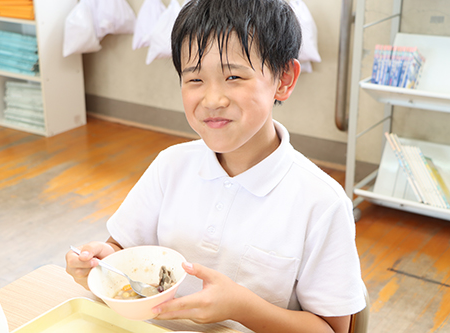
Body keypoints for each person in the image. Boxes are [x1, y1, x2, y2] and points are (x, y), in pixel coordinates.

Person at [65, 0, 366, 332]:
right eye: (195, 80)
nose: (212, 100)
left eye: (233, 76)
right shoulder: (171, 165)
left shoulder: (322, 202)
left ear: (284, 79)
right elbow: (121, 248)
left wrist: (241, 307)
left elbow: (333, 330)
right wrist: (101, 261)